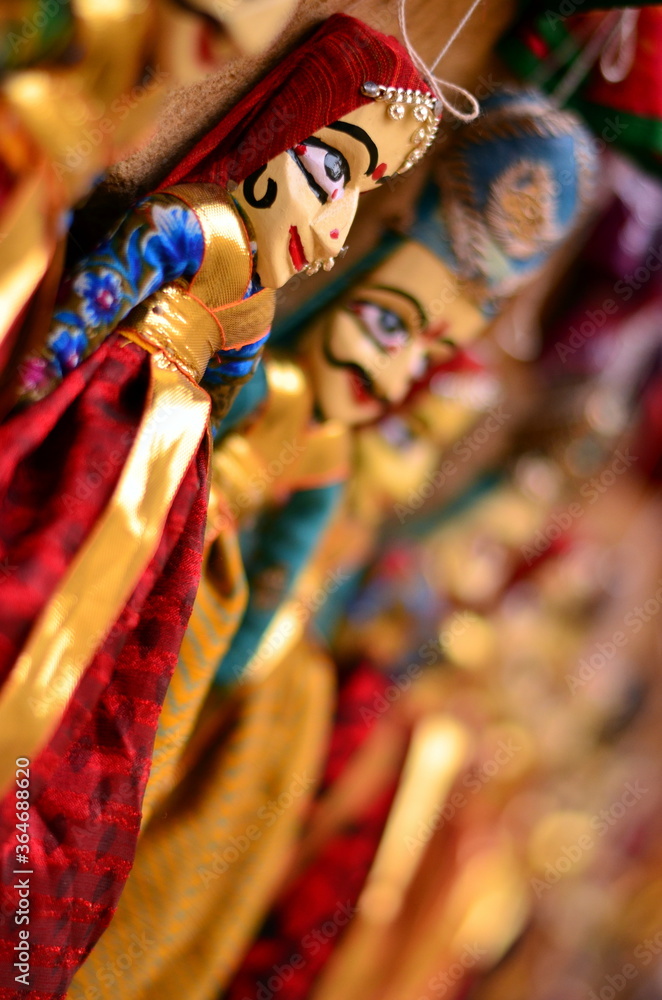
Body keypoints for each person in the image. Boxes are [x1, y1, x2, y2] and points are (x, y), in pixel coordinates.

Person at [0, 15, 440, 997]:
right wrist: (31, 393)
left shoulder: (254, 312)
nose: (329, 240)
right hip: (93, 444)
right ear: (284, 126)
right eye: (332, 179)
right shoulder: (185, 227)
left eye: (355, 199)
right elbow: (72, 325)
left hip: (167, 491)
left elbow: (231, 397)